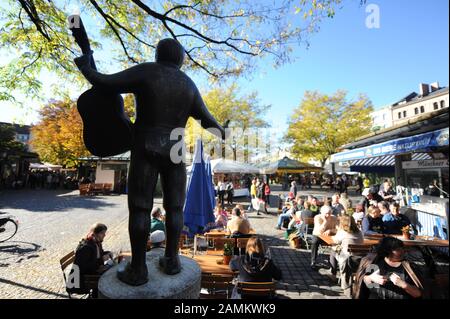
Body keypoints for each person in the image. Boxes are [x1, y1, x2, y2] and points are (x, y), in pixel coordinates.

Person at [353, 237, 424, 299]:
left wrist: (403, 284)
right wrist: (371, 278)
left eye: (402, 248)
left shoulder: (409, 267)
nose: (403, 251)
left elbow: (418, 294)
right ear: (387, 251)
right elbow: (360, 280)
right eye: (398, 249)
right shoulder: (374, 263)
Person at [70, 223, 113, 297]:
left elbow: (98, 254)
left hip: (89, 274)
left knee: (110, 271)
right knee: (108, 278)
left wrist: (108, 253)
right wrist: (101, 260)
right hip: (80, 280)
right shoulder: (86, 247)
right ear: (95, 233)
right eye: (102, 233)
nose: (104, 235)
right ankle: (97, 296)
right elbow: (84, 267)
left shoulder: (96, 242)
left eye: (104, 233)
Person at [329, 215, 364, 296]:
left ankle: (333, 274)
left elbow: (335, 240)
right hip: (359, 258)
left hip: (346, 259)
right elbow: (362, 241)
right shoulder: (359, 232)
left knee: (333, 251)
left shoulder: (342, 232)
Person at [311, 206, 338, 270]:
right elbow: (319, 231)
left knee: (338, 242)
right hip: (318, 236)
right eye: (326, 213)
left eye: (329, 213)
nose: (328, 215)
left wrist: (330, 230)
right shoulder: (317, 217)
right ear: (321, 213)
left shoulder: (334, 218)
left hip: (330, 236)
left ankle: (334, 263)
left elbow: (338, 229)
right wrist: (325, 221)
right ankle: (313, 261)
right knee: (314, 242)